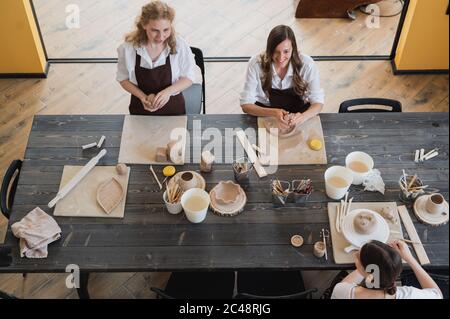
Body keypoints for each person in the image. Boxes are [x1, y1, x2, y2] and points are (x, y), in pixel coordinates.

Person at [117, 1, 196, 115]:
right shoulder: (128, 48)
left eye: (166, 30)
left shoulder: (180, 45)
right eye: (155, 30)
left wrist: (167, 92)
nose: (161, 36)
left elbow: (189, 77)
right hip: (141, 109)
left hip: (173, 109)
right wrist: (143, 97)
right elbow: (123, 79)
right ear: (144, 25)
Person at [240, 25, 324, 130]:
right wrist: (274, 113)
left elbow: (318, 103)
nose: (280, 58)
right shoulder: (256, 64)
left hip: (298, 114)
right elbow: (245, 105)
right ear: (269, 50)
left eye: (286, 51)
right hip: (267, 114)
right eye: (275, 51)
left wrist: (302, 117)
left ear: (293, 48)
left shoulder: (307, 65)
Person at [331, 240, 443, 299]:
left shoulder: (343, 292)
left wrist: (365, 272)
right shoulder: (409, 295)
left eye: (358, 256)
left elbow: (343, 285)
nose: (355, 254)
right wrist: (410, 258)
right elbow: (437, 294)